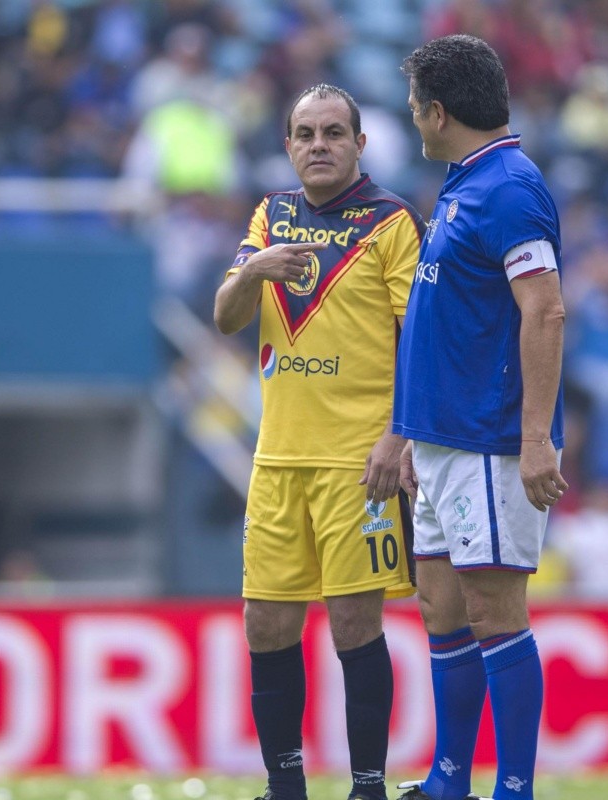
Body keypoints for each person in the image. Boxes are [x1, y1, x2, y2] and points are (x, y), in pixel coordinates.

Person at [213, 83, 425, 800]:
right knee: (265, 622)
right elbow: (223, 317)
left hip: (356, 463)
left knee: (354, 624)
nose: (319, 145)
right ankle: (286, 785)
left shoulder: (392, 220)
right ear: (288, 145)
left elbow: (419, 339)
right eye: (305, 133)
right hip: (277, 460)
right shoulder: (269, 217)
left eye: (334, 133)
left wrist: (399, 437)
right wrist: (254, 269)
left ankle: (367, 786)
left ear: (360, 145)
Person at [393, 36, 568, 800]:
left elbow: (546, 309)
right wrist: (409, 431)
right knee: (441, 605)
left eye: (413, 109)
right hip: (439, 439)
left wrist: (534, 439)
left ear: (437, 110)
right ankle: (448, 780)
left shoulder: (510, 188)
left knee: (495, 609)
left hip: (489, 442)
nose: (412, 122)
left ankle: (516, 788)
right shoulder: (466, 182)